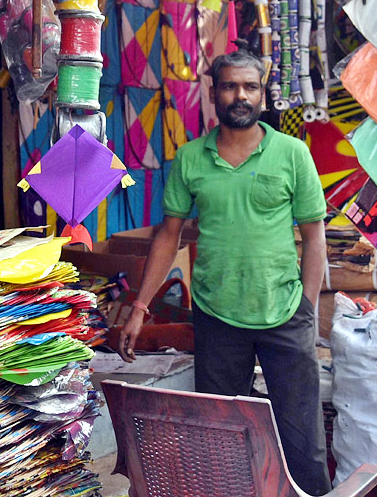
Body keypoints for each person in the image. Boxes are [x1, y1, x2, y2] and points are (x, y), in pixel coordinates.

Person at [120, 50, 330, 495]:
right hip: (217, 316)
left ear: (262, 93)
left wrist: (308, 310)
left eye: (250, 87)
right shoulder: (191, 158)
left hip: (285, 310)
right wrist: (139, 306)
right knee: (219, 442)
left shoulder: (293, 154)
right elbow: (168, 235)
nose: (240, 95)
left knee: (302, 442)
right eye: (231, 86)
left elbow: (314, 238)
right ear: (213, 93)